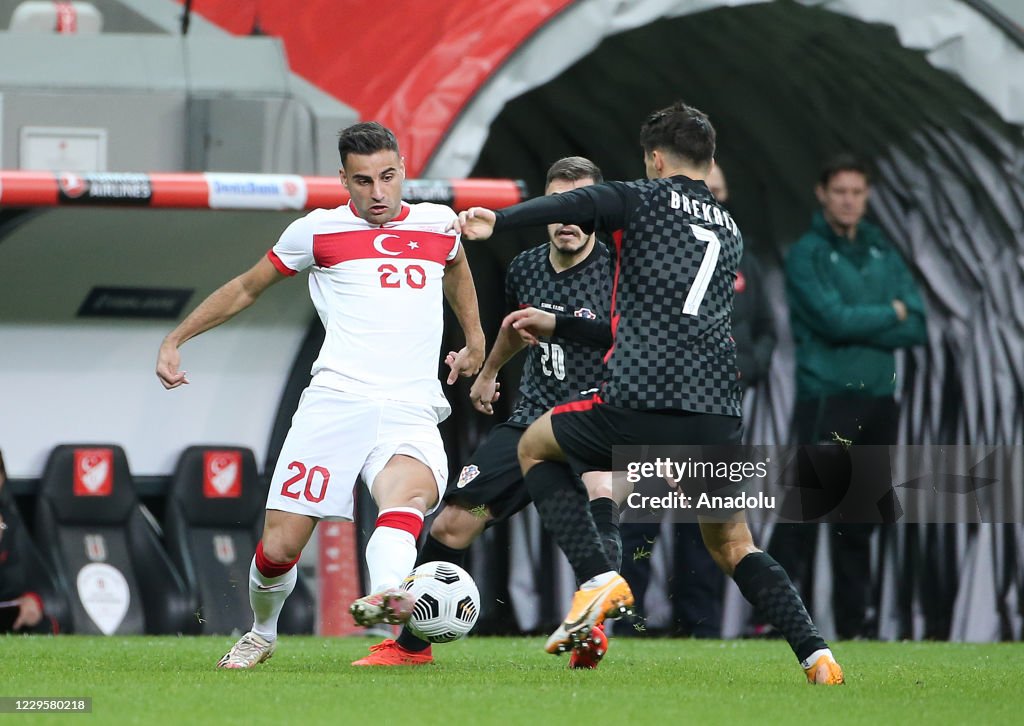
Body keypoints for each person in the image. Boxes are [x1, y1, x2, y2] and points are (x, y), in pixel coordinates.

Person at [454, 101, 843, 684]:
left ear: (655, 158)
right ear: (709, 163)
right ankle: (817, 655)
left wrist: (500, 221)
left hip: (641, 394)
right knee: (735, 543)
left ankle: (597, 579)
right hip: (715, 410)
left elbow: (577, 202)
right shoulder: (730, 229)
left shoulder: (641, 197)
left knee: (535, 444)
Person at [157, 121, 485, 668]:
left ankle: (388, 597)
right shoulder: (314, 232)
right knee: (280, 547)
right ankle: (262, 631)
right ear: (343, 180)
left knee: (406, 499)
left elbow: (456, 271)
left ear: (403, 170)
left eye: (387, 177)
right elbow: (246, 287)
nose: (378, 193)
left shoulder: (439, 224)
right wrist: (176, 338)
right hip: (335, 403)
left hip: (409, 405)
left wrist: (474, 339)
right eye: (363, 181)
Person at [353, 156, 620, 669]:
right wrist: (490, 371)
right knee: (455, 522)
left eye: (581, 207)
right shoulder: (525, 267)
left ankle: (593, 628)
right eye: (559, 206)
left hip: (596, 420)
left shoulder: (620, 272)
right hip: (530, 425)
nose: (569, 219)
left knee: (599, 492)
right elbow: (518, 327)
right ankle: (412, 647)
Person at [769, 152, 926, 639]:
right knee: (805, 513)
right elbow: (831, 320)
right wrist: (889, 313)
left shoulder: (882, 250)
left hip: (879, 399)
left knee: (859, 522)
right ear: (822, 194)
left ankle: (855, 627)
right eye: (840, 191)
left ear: (868, 195)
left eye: (858, 192)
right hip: (829, 398)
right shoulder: (808, 252)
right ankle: (771, 620)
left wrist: (881, 317)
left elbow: (917, 323)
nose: (849, 201)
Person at [618, 162, 776, 639]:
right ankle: (626, 623)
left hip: (716, 411)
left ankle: (699, 629)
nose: (713, 202)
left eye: (720, 193)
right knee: (639, 520)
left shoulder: (744, 258)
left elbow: (766, 332)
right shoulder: (661, 252)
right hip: (658, 405)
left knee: (706, 528)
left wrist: (744, 368)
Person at [0, 450, 47, 633]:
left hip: (6, 619)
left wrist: (31, 601)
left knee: (44, 626)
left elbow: (25, 582)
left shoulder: (10, 522)